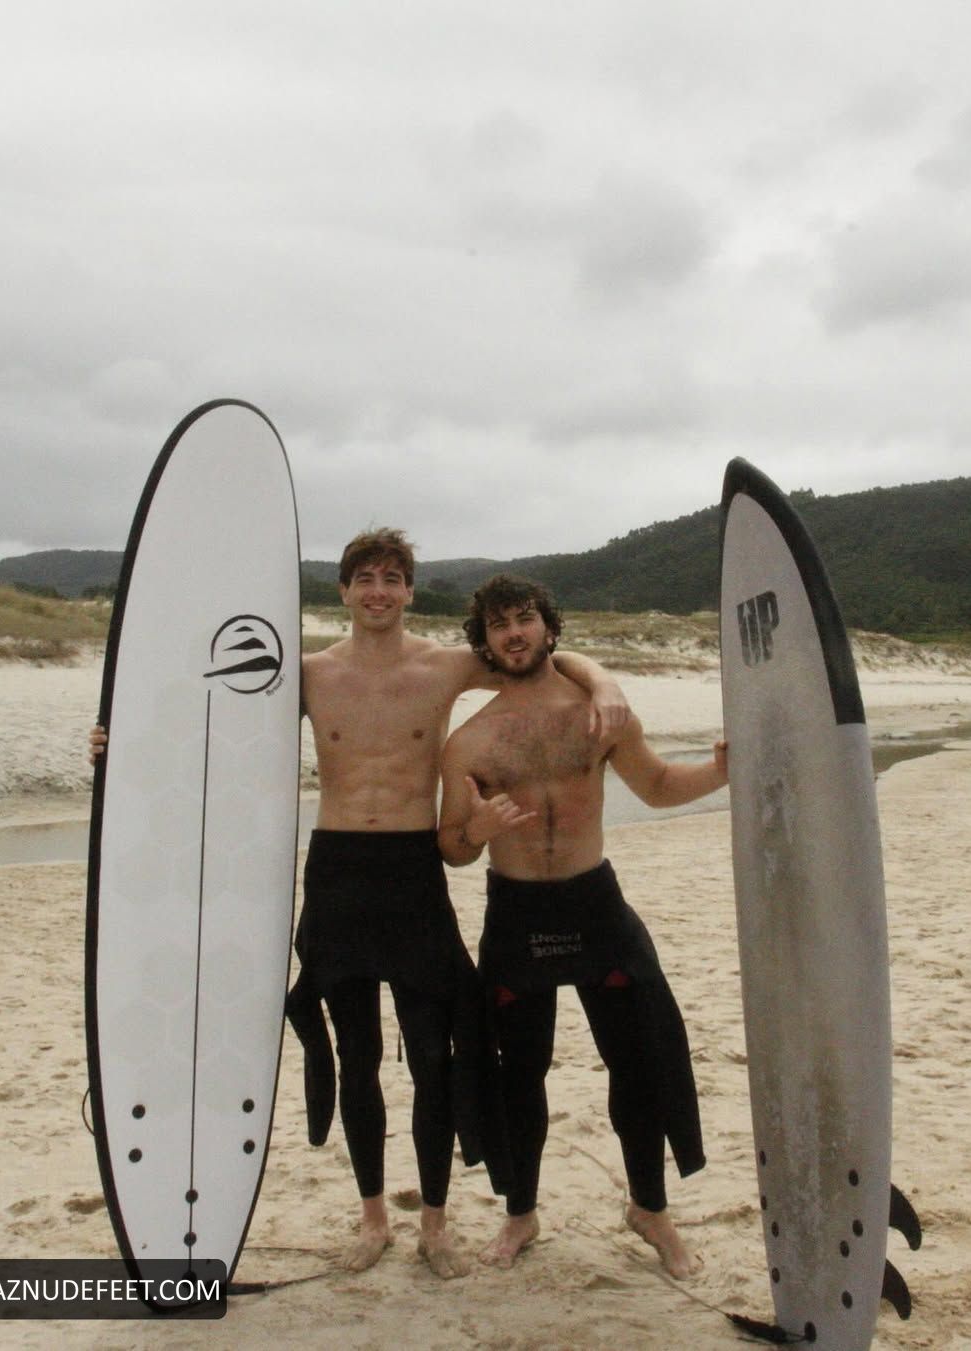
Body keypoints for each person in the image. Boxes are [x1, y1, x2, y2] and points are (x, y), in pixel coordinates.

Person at [89, 530, 628, 1279]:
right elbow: (215, 721)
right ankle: (374, 1215)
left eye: (392, 577)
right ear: (343, 590)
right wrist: (120, 745)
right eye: (365, 577)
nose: (379, 590)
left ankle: (434, 1223)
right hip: (338, 870)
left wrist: (603, 683)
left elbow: (536, 657)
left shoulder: (446, 666)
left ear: (409, 591)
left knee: (433, 1056)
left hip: (412, 872)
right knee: (356, 1057)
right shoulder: (307, 672)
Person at [436, 573, 728, 1277]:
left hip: (594, 907)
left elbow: (657, 786)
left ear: (548, 627)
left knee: (640, 1061)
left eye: (524, 618)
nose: (514, 633)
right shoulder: (469, 742)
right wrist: (475, 830)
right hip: (517, 914)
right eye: (500, 624)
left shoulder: (601, 713)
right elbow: (451, 847)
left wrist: (721, 772)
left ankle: (650, 1208)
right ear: (485, 642)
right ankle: (521, 1213)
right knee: (518, 1072)